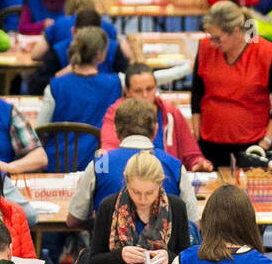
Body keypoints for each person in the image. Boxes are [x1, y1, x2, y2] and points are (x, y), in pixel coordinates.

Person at [66, 98, 195, 231]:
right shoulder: (174, 165)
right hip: (164, 249)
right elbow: (193, 222)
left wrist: (102, 221)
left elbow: (73, 220)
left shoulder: (101, 164)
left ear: (115, 129)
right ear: (156, 129)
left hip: (111, 249)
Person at [191, 0, 272, 167]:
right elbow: (197, 92)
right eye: (210, 37)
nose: (213, 43)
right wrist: (196, 132)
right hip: (210, 141)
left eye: (217, 39)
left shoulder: (266, 53)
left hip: (252, 143)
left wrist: (266, 141)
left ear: (236, 31)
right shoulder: (206, 48)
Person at [74, 150, 191, 264]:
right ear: (126, 180)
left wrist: (169, 257)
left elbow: (186, 261)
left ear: (161, 182)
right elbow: (93, 263)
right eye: (135, 192)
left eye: (150, 193)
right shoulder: (108, 206)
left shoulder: (177, 207)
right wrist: (120, 256)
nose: (142, 199)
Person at [99, 61, 211, 170]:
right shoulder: (115, 113)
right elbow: (109, 150)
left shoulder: (171, 113)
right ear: (126, 91)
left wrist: (198, 163)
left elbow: (191, 154)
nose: (145, 95)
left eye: (150, 89)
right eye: (138, 91)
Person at [37, 27, 122, 170]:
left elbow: (39, 130)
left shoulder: (55, 86)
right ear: (100, 55)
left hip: (57, 165)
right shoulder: (116, 82)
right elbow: (150, 79)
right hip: (100, 167)